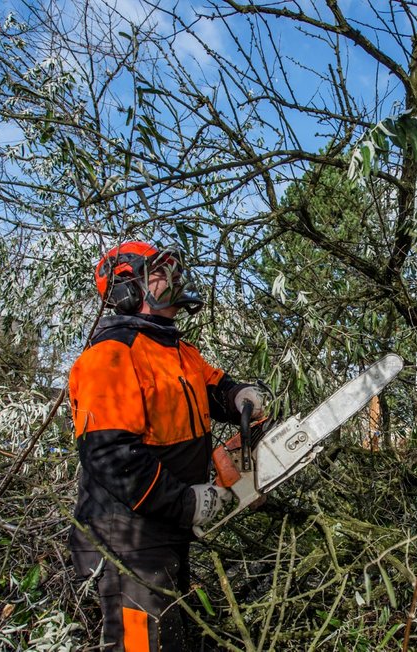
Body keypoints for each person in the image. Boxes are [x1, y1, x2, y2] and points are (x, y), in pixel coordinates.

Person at [68, 241, 266, 651]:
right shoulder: (111, 356)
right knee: (145, 644)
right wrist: (186, 503)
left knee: (173, 636)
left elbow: (214, 387)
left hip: (163, 526)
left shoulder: (176, 351)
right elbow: (111, 455)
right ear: (128, 289)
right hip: (128, 537)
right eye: (161, 272)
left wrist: (240, 396)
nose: (174, 280)